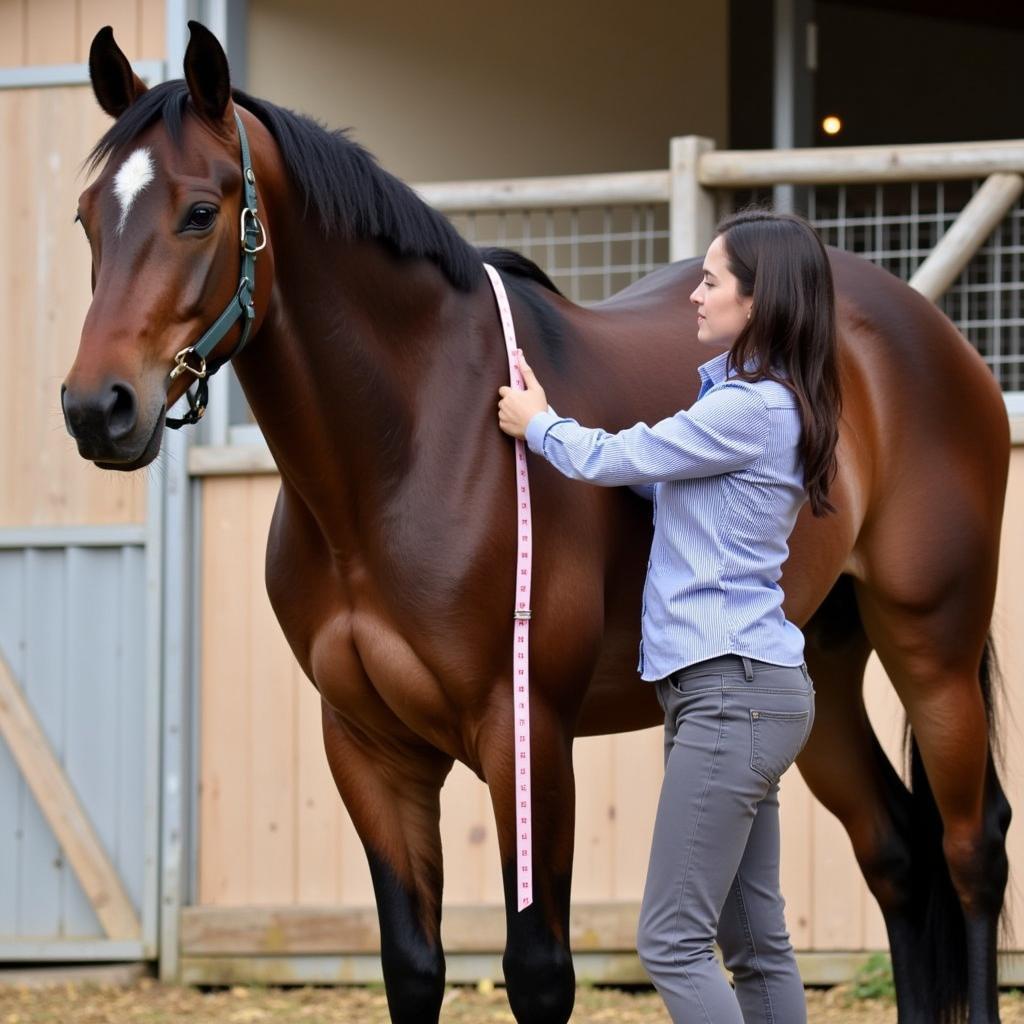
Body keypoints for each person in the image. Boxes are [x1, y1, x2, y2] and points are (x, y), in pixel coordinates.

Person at [496, 209, 841, 1024]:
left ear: (757, 303)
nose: (695, 294)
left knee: (672, 941)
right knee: (756, 946)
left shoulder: (748, 409)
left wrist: (537, 424)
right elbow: (664, 482)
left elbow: (624, 456)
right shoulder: (762, 406)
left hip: (730, 696)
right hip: (745, 693)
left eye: (712, 280)